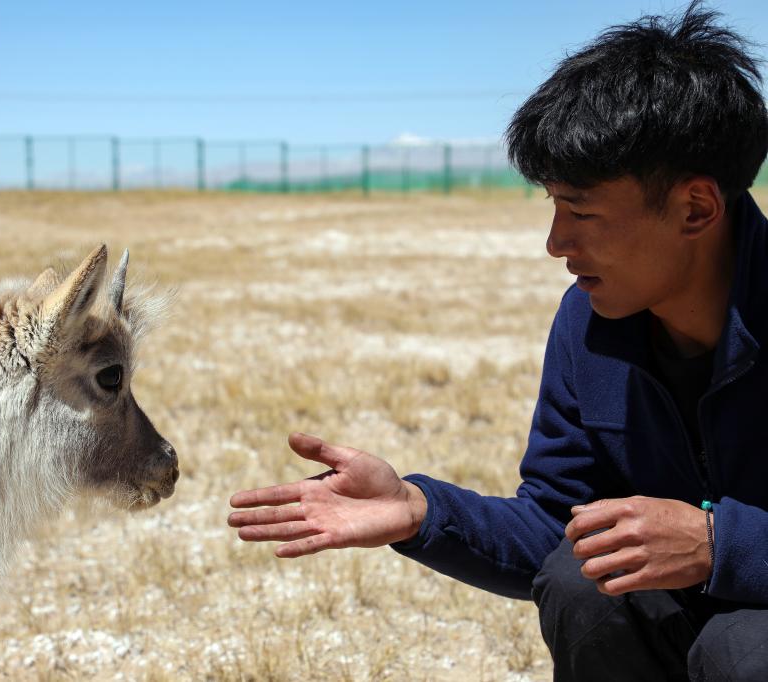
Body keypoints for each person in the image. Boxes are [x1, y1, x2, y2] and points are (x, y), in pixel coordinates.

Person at [227, 3, 768, 680]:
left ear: (694, 208)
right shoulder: (589, 324)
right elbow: (556, 529)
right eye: (551, 206)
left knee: (744, 647)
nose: (555, 244)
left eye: (581, 211)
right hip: (678, 619)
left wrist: (724, 545)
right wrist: (418, 511)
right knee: (580, 582)